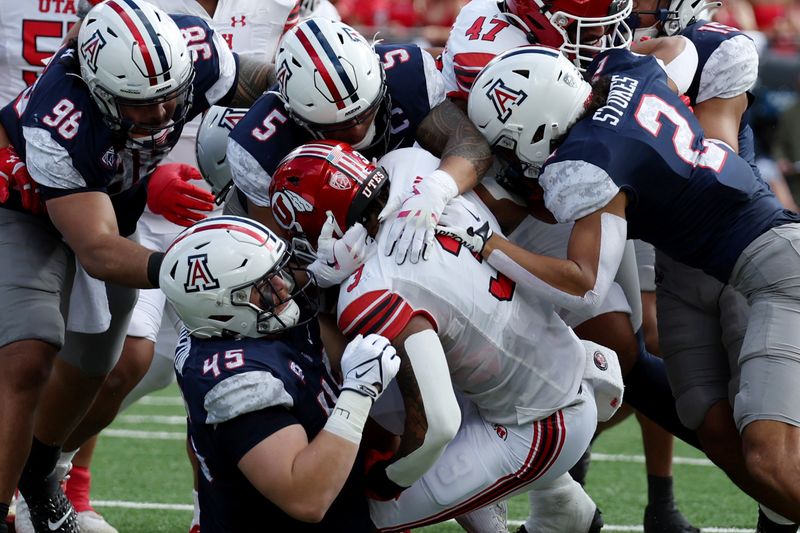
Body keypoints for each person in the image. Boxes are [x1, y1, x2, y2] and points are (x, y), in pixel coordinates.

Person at [452, 43, 800, 524]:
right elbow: (676, 52)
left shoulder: (587, 162)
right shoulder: (626, 68)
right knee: (716, 430)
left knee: (770, 458)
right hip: (744, 257)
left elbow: (584, 285)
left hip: (773, 270)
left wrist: (489, 245)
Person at [0, 0, 274, 530]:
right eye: (141, 104)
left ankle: (39, 476)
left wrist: (300, 92)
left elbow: (253, 80)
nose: (162, 114)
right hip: (28, 202)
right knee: (28, 356)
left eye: (171, 95)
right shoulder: (61, 117)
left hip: (112, 197)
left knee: (103, 367)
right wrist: (191, 267)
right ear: (101, 89)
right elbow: (99, 250)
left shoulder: (190, 51)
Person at [269, 140, 621, 532]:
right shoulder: (408, 165)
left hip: (538, 425)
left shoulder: (369, 291)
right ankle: (563, 506)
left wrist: (386, 480)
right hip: (553, 363)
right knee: (430, 368)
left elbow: (437, 427)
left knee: (350, 513)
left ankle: (557, 510)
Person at [440, 1, 699, 530]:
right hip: (507, 200)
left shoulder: (576, 39)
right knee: (496, 354)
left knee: (624, 350)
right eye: (591, 23)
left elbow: (672, 53)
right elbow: (522, 159)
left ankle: (563, 487)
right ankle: (541, 484)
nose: (607, 33)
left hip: (567, 190)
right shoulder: (488, 40)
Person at [628, 2, 799, 530]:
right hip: (675, 263)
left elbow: (714, 154)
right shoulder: (598, 51)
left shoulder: (720, 48)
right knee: (714, 427)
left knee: (767, 438)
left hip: (739, 251)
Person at [158, 215, 400, 531]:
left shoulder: (245, 326)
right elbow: (306, 498)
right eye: (263, 284)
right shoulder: (238, 382)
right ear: (222, 306)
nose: (283, 286)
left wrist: (317, 276)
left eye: (276, 273)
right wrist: (357, 393)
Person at [226, 17, 493, 272]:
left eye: (366, 113)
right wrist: (317, 273)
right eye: (338, 127)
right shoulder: (260, 145)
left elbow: (470, 145)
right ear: (294, 113)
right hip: (315, 239)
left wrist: (438, 188)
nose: (356, 130)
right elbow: (272, 258)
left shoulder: (407, 73)